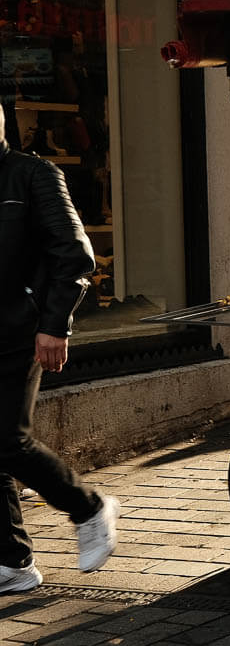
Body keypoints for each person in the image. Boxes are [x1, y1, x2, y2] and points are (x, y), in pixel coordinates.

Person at [0, 103, 118, 593]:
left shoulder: (32, 174)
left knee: (7, 439)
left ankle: (88, 507)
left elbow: (74, 252)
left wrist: (54, 324)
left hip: (17, 330)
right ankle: (12, 563)